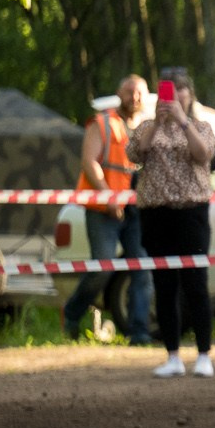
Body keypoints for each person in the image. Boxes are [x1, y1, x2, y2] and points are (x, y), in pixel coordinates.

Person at [127, 67, 215, 379]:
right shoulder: (146, 127)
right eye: (169, 89)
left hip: (191, 212)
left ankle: (204, 354)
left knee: (195, 285)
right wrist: (157, 124)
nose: (175, 95)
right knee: (164, 287)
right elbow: (136, 154)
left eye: (181, 89)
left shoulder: (202, 126)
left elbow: (203, 154)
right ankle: (173, 355)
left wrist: (182, 121)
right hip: (155, 214)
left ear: (190, 93)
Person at [62, 74, 154, 346]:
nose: (134, 97)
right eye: (129, 91)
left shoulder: (149, 128)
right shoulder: (102, 122)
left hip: (136, 210)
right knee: (103, 267)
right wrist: (110, 196)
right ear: (119, 93)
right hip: (104, 209)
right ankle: (71, 313)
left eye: (139, 93)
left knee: (143, 267)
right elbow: (89, 162)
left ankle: (139, 333)